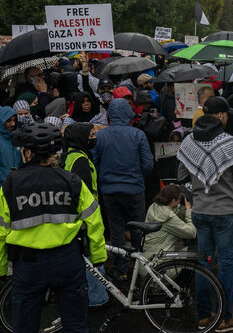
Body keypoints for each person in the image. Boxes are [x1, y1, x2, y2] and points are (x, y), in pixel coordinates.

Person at [0, 122, 106, 332]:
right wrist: (98, 256)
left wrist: (2, 268)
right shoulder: (72, 180)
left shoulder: (10, 184)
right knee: (75, 325)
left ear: (28, 152)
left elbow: (1, 230)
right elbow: (94, 218)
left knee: (25, 327)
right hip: (67, 261)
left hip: (28, 265)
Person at [177, 96, 233, 331]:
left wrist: (196, 196)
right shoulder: (229, 142)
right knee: (225, 264)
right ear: (221, 116)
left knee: (203, 263)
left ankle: (204, 316)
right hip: (225, 213)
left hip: (201, 211)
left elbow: (182, 176)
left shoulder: (189, 141)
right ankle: (224, 318)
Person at [93, 98, 154, 281]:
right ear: (128, 113)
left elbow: (94, 163)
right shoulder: (138, 135)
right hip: (134, 189)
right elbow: (148, 164)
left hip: (110, 190)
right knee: (137, 228)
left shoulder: (101, 136)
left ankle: (121, 270)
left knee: (116, 229)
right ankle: (140, 266)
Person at [62, 122, 109, 309]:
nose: (93, 138)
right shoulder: (80, 160)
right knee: (92, 256)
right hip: (88, 217)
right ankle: (99, 298)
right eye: (90, 135)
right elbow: (85, 192)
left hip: (75, 216)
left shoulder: (69, 156)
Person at [143, 184, 196, 260]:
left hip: (147, 260)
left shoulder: (153, 206)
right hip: (161, 263)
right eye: (179, 198)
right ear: (173, 201)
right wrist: (188, 210)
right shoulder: (168, 216)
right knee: (197, 251)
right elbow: (192, 233)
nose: (180, 200)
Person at [0, 107, 20, 187]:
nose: (13, 124)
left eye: (14, 120)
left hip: (18, 186)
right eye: (8, 121)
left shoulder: (17, 139)